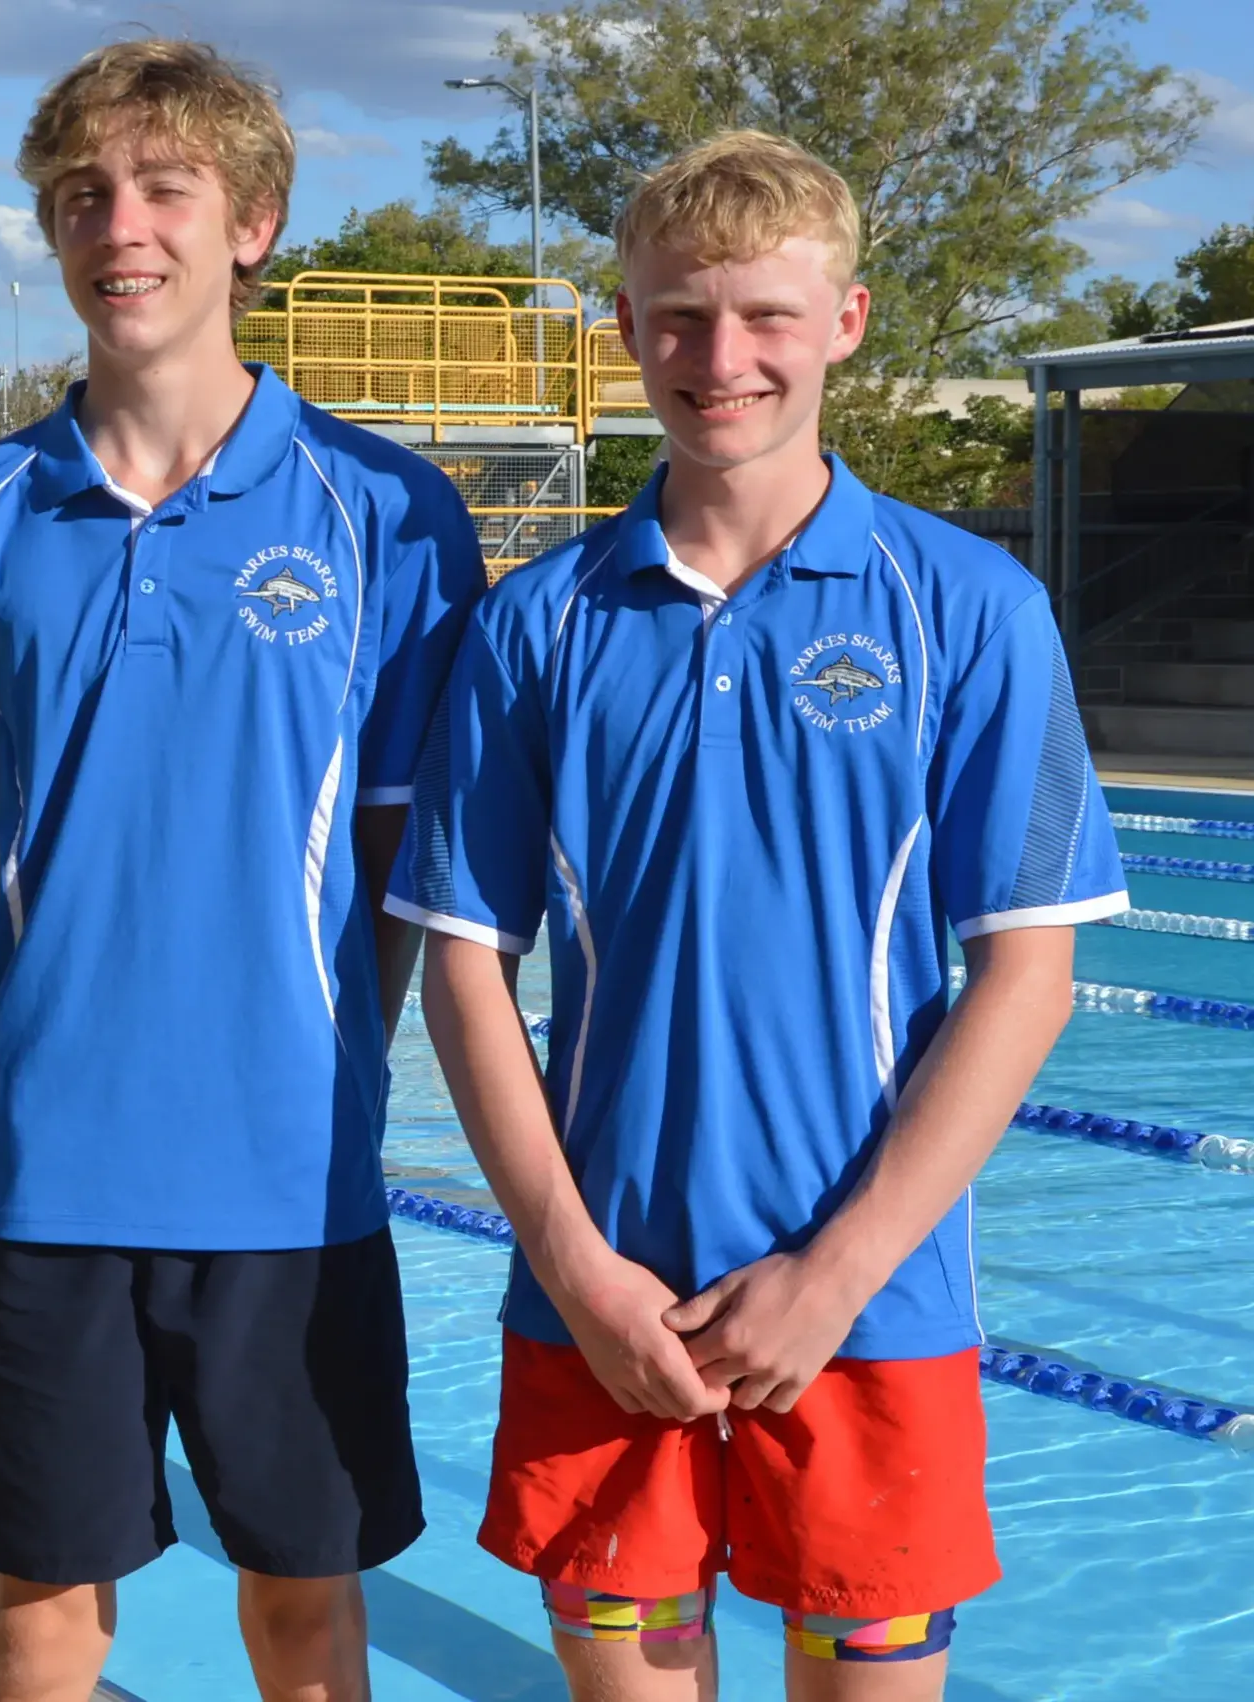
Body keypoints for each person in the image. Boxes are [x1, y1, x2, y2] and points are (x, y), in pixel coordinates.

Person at [396, 131, 1128, 1702]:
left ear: (846, 320)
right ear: (624, 326)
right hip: (602, 1307)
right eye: (675, 317)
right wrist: (579, 1267)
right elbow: (464, 964)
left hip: (875, 1311)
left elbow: (1030, 969)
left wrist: (838, 1269)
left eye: (763, 317)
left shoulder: (967, 608)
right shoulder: (535, 626)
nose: (718, 358)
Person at [0, 40, 484, 1702]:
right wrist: (90, 994)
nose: (115, 227)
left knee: (302, 1613)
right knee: (41, 1619)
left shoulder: (388, 515)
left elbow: (396, 863)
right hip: (33, 1175)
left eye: (161, 189)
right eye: (79, 196)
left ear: (251, 225)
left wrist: (305, 1057)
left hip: (289, 1182)